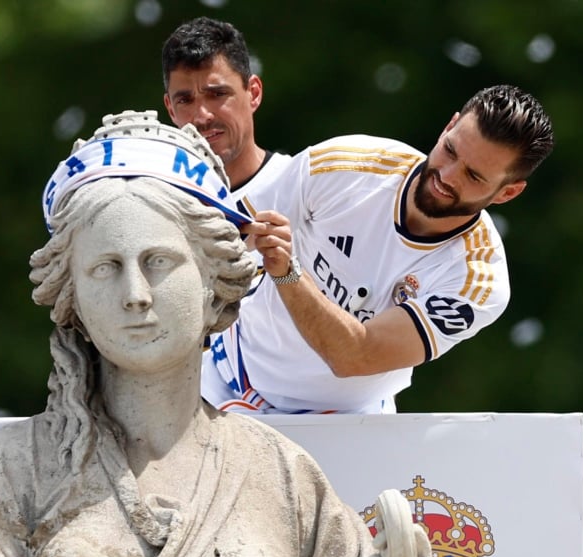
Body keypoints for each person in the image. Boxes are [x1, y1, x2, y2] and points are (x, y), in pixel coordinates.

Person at [0, 111, 495, 557]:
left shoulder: (286, 480)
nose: (136, 293)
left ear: (216, 280)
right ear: (71, 295)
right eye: (104, 268)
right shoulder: (3, 476)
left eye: (159, 262)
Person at [201, 84, 555, 413]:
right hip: (222, 369)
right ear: (449, 126)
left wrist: (288, 273)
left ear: (508, 193)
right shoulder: (347, 163)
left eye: (474, 176)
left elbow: (354, 356)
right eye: (450, 151)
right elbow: (216, 236)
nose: (447, 176)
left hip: (345, 425)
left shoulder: (479, 281)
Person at [161, 16, 290, 226]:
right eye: (185, 100)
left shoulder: (305, 187)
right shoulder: (160, 214)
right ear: (171, 109)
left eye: (217, 94)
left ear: (254, 93)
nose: (202, 116)